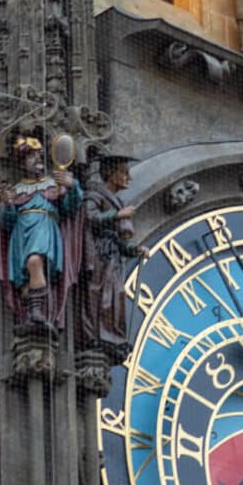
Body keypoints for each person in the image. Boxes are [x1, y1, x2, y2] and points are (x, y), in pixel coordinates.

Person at [0, 136, 83, 331]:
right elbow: (6, 224)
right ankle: (32, 314)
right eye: (31, 157)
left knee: (35, 262)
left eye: (39, 157)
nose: (37, 160)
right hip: (21, 233)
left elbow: (70, 208)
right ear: (21, 163)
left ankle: (38, 311)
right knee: (26, 282)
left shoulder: (52, 185)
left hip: (44, 227)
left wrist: (72, 186)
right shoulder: (17, 191)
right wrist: (8, 206)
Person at [79, 154, 149, 362]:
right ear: (110, 173)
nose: (129, 177)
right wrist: (116, 216)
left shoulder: (117, 201)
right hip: (98, 252)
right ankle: (94, 336)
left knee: (115, 295)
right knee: (99, 295)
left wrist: (135, 248)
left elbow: (121, 239)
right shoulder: (95, 194)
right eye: (124, 172)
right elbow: (88, 218)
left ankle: (111, 337)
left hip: (113, 255)